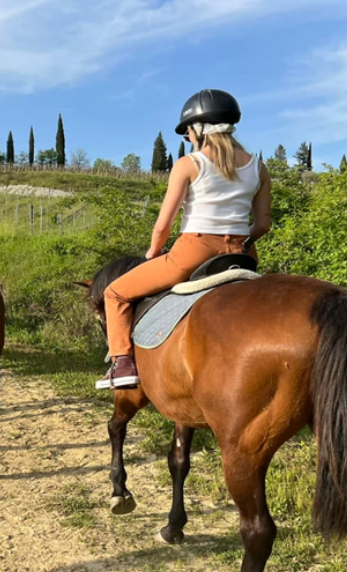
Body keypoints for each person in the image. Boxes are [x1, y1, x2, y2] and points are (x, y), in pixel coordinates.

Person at [96, 89, 272, 390]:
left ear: (200, 130)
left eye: (188, 131)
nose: (188, 138)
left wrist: (154, 251)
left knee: (115, 293)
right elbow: (263, 224)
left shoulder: (189, 164)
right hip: (243, 254)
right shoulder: (258, 167)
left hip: (194, 251)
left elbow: (163, 225)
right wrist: (243, 240)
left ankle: (122, 363)